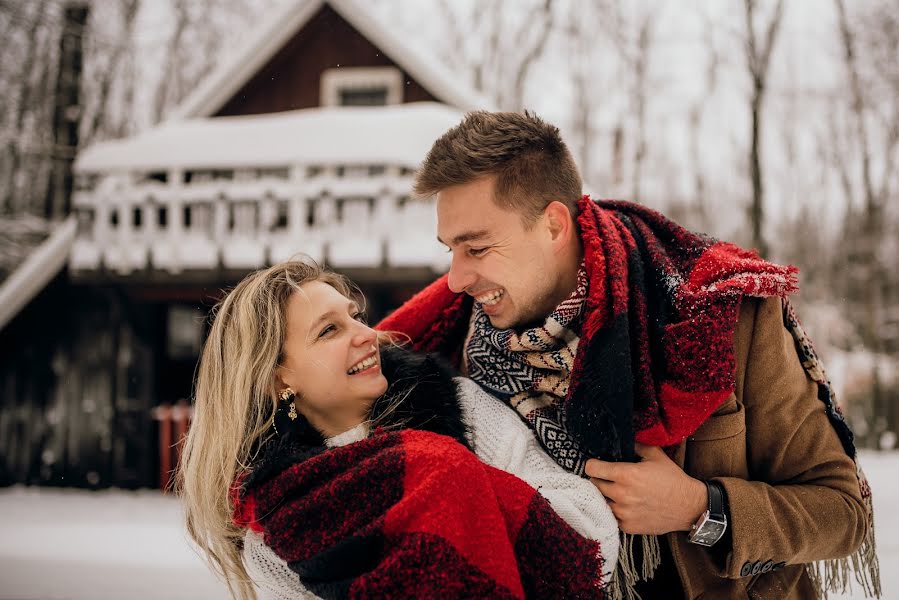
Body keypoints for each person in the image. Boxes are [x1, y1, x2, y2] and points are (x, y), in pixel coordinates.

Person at [377, 111, 880, 599]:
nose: (456, 280)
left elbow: (841, 512)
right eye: (451, 250)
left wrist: (700, 509)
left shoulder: (717, 314)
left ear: (553, 225)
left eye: (478, 248)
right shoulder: (454, 355)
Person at [177, 260, 619, 600]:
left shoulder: (456, 408)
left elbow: (591, 534)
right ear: (278, 379)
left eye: (355, 316)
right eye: (330, 330)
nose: (367, 333)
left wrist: (446, 479)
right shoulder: (280, 525)